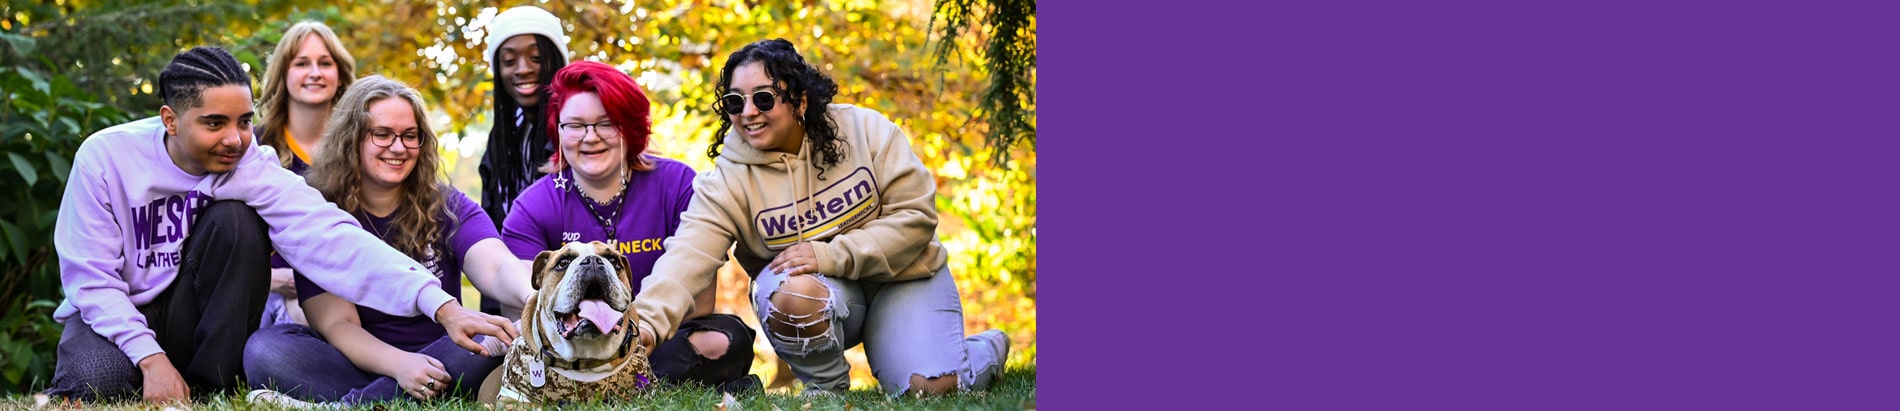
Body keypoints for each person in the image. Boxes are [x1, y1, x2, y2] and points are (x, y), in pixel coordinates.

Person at [44, 46, 517, 405]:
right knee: (97, 385)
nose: (235, 139)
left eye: (245, 121)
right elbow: (91, 280)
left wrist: (442, 307)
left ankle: (211, 388)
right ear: (170, 119)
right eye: (214, 123)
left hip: (188, 313)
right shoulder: (106, 158)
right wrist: (151, 359)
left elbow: (331, 237)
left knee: (237, 220)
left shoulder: (249, 165)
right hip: (116, 313)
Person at [629, 39, 1009, 397]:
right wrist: (645, 323)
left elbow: (915, 217)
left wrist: (830, 254)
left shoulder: (866, 131)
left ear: (800, 100)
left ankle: (986, 349)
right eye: (734, 101)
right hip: (816, 296)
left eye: (763, 98)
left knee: (927, 390)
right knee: (788, 290)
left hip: (903, 279)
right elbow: (687, 255)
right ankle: (827, 389)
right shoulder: (728, 180)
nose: (747, 112)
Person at [243, 76, 536, 404]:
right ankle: (393, 395)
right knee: (265, 350)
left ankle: (350, 404)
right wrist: (400, 366)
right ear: (351, 139)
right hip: (358, 360)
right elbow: (338, 324)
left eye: (410, 136)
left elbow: (496, 267)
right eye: (382, 134)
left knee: (490, 335)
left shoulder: (447, 206)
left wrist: (537, 297)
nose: (398, 147)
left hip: (441, 357)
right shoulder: (317, 214)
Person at [500, 61, 758, 393]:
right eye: (575, 125)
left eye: (606, 123)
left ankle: (621, 383)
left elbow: (701, 301)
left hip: (660, 338)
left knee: (722, 340)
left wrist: (633, 330)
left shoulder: (677, 183)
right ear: (558, 131)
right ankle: (626, 385)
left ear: (630, 127)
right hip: (566, 351)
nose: (590, 137)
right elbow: (523, 310)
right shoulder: (532, 206)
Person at [254, 21, 359, 327]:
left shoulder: (360, 147)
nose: (314, 72)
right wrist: (269, 279)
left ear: (339, 75)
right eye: (302, 63)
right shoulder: (253, 147)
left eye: (325, 63)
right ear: (283, 74)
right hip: (262, 292)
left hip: (339, 291)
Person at [477, 5, 570, 316]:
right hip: (514, 300)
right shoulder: (503, 138)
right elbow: (492, 229)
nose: (522, 69)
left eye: (536, 57)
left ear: (555, 61)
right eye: (508, 60)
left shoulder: (577, 133)